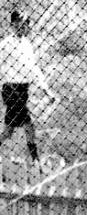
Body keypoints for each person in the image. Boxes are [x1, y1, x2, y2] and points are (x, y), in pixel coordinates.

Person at [0, 9, 57, 164]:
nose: (24, 26)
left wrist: (46, 90)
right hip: (11, 89)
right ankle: (35, 159)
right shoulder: (5, 45)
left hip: (22, 90)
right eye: (20, 23)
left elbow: (34, 69)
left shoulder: (26, 44)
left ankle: (34, 158)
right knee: (28, 124)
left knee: (8, 131)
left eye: (26, 23)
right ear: (12, 25)